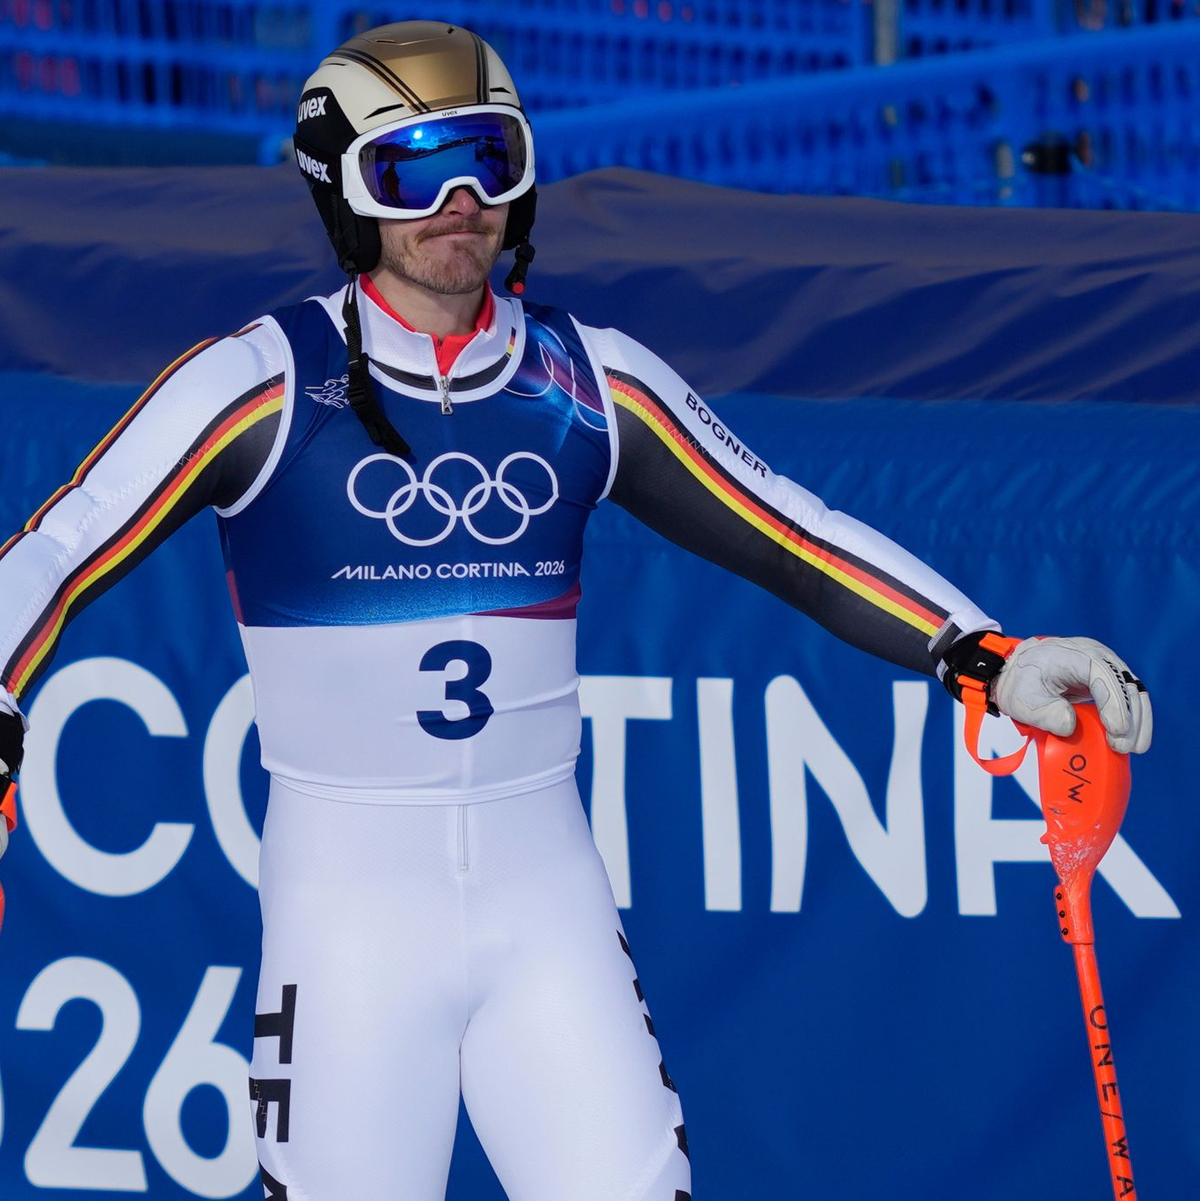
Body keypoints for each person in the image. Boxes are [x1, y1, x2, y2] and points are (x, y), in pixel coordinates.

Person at [0, 21, 1151, 1201]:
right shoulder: (260, 380)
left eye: (490, 160)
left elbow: (796, 536)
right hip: (346, 910)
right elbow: (62, 547)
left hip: (541, 891)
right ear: (343, 190)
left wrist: (985, 652)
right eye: (414, 169)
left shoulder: (588, 378)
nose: (461, 200)